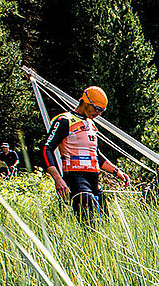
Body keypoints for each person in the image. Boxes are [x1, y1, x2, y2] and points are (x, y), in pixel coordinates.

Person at [41, 86, 130, 216]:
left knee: (105, 220)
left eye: (102, 111)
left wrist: (117, 171)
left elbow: (96, 155)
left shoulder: (91, 125)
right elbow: (46, 148)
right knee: (90, 219)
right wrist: (58, 179)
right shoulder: (65, 120)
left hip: (93, 179)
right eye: (97, 109)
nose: (98, 114)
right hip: (75, 177)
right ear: (85, 103)